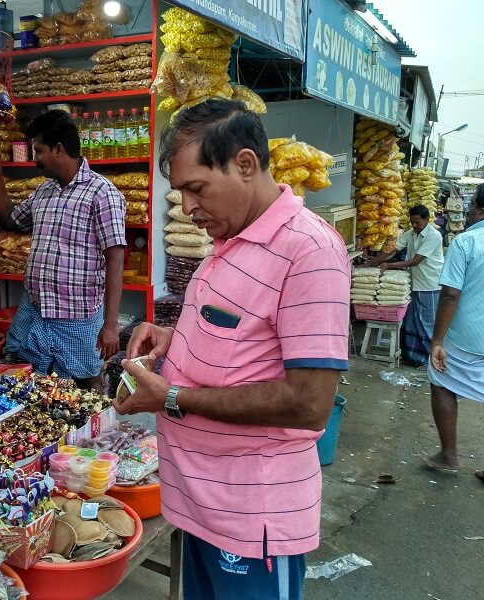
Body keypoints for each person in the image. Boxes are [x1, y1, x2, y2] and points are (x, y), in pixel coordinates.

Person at [114, 99, 350, 599]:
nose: (189, 207)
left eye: (197, 189)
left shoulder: (310, 252)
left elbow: (309, 402)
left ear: (245, 164)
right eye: (181, 193)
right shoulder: (229, 241)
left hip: (252, 517)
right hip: (200, 502)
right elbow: (243, 340)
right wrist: (172, 338)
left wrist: (173, 397)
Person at [0, 110, 126, 389]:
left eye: (40, 151)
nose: (36, 159)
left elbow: (115, 259)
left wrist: (110, 325)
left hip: (76, 317)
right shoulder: (44, 191)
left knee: (84, 383)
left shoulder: (102, 193)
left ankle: (90, 432)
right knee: (24, 377)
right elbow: (10, 220)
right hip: (35, 310)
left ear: (59, 149)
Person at [421, 183, 484, 480]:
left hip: (466, 337)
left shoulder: (466, 242)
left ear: (481, 209)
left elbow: (449, 295)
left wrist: (437, 340)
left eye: (471, 203)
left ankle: (448, 455)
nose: (468, 209)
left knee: (441, 380)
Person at [365, 205, 444, 365]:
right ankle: (413, 356)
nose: (414, 226)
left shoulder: (433, 236)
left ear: (426, 220)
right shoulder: (411, 234)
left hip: (430, 284)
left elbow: (416, 261)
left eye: (417, 223)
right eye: (412, 222)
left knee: (427, 322)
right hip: (414, 282)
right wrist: (372, 262)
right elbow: (393, 250)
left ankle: (429, 359)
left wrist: (389, 266)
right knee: (412, 320)